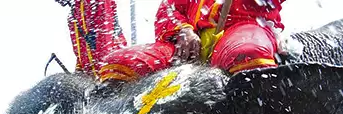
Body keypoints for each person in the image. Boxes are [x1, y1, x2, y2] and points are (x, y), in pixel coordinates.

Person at [99, 0, 285, 81]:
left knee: (247, 54)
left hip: (243, 29)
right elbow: (168, 10)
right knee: (118, 64)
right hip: (187, 46)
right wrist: (183, 30)